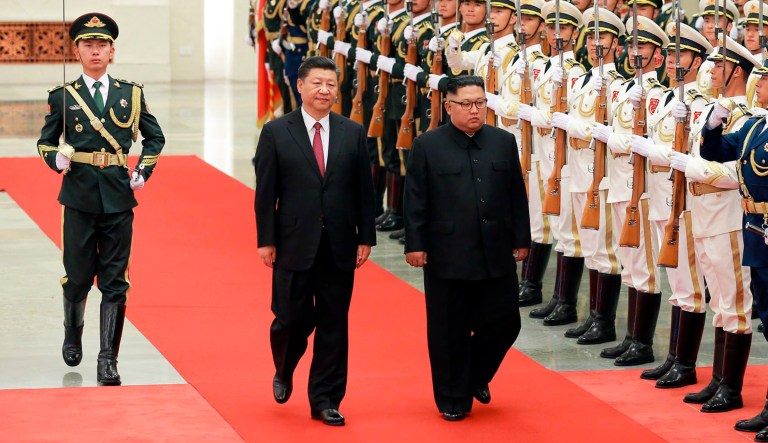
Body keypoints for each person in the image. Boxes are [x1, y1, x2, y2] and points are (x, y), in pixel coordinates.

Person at [35, 12, 165, 386]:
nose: (95, 51)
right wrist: (54, 157)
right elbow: (45, 140)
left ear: (112, 51)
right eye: (88, 45)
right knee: (76, 280)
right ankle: (72, 331)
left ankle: (108, 358)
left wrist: (143, 171)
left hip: (118, 199)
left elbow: (154, 138)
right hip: (77, 198)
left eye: (102, 45)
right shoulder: (63, 97)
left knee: (115, 281)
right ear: (76, 51)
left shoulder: (132, 94)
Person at [254, 56, 376, 427]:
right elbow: (266, 192)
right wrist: (266, 240)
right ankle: (285, 366)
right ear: (300, 86)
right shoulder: (276, 132)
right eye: (318, 83)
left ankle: (325, 398)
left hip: (340, 242)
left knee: (334, 323)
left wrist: (365, 237)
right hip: (293, 241)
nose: (325, 90)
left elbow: (363, 191)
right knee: (290, 319)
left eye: (331, 85)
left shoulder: (352, 132)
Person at [403, 75, 530, 421]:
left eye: (480, 103)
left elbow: (516, 195)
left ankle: (474, 375)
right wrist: (415, 244)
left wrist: (522, 238)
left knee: (505, 322)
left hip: (495, 249)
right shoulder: (427, 145)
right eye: (466, 104)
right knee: (448, 328)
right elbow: (415, 200)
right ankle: (452, 398)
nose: (475, 110)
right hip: (447, 252)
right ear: (448, 107)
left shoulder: (503, 142)